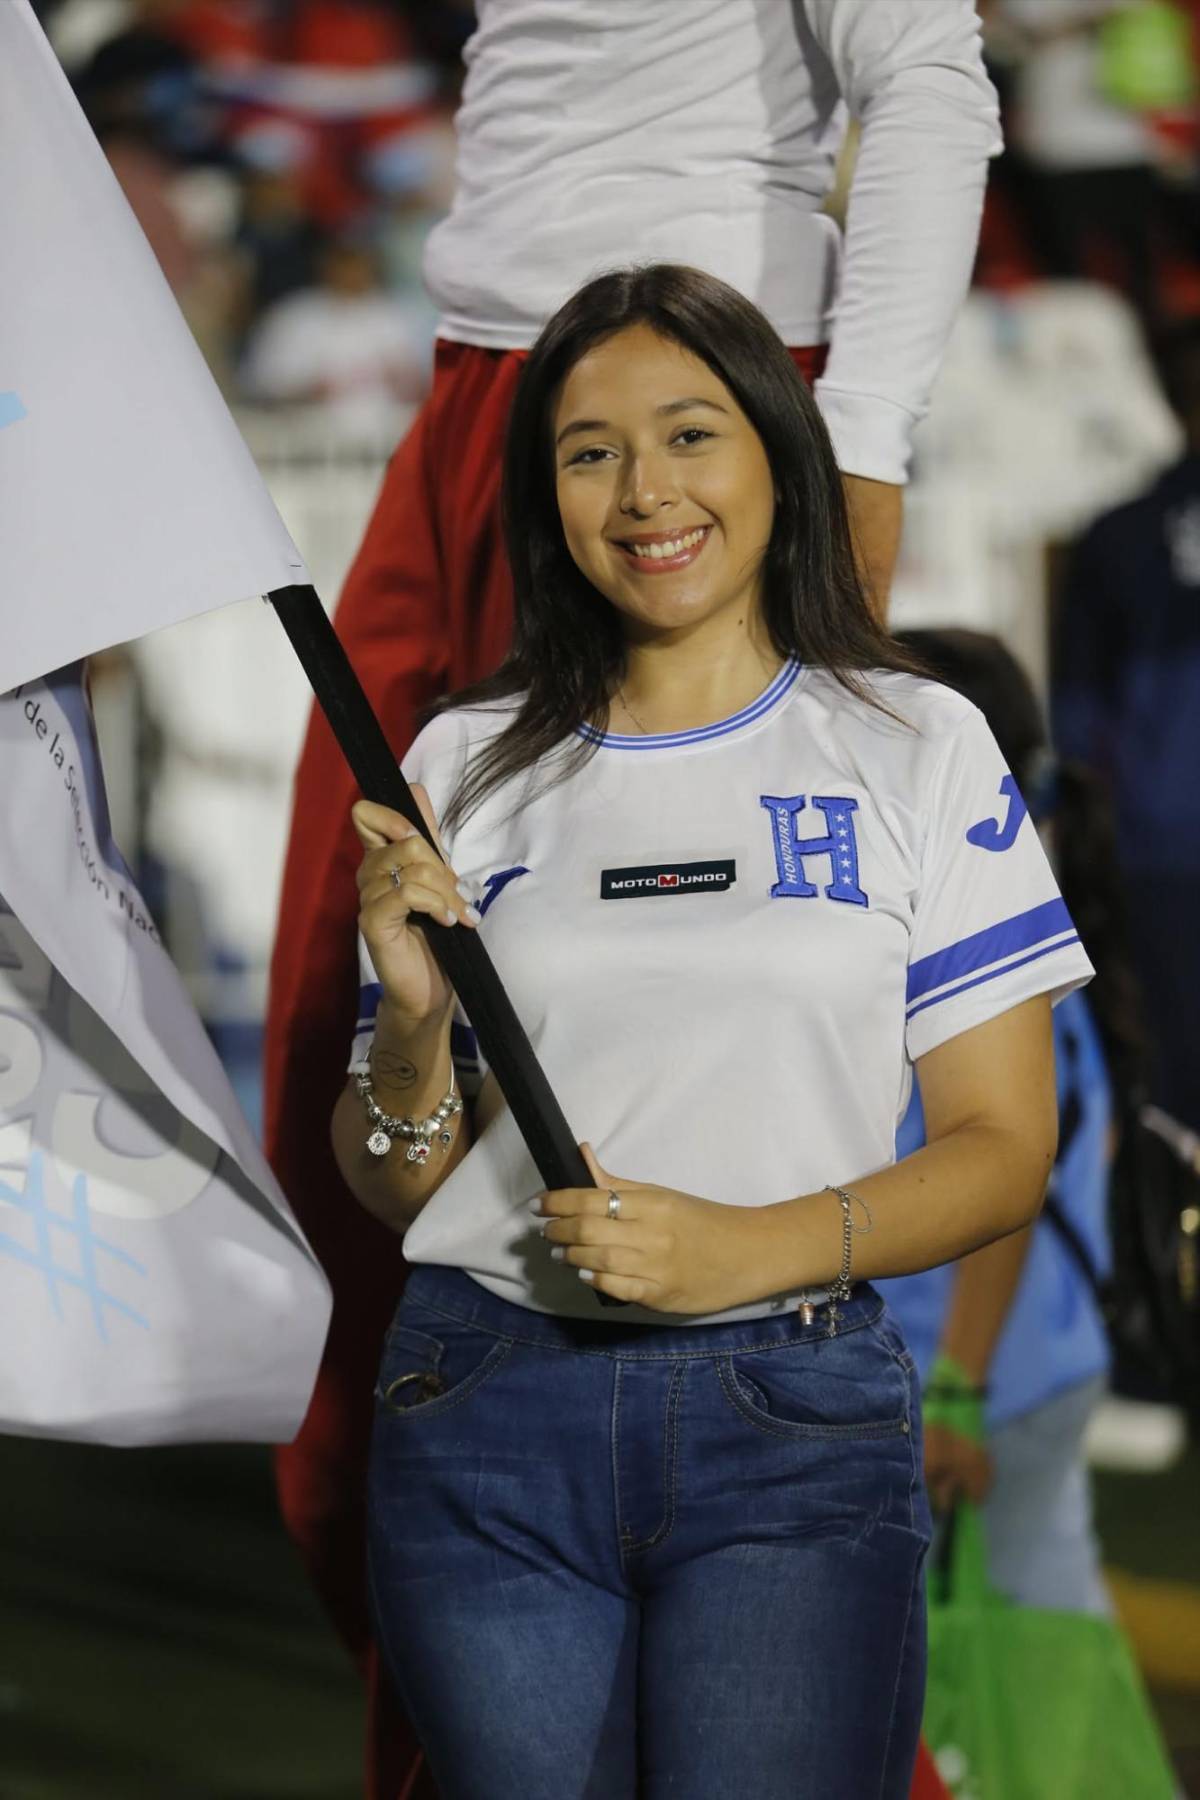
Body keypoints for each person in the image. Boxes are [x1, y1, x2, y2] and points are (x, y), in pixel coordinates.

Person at [266, 11, 1002, 1786]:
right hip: (481, 395)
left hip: (653, 402)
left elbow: (926, 72)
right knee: (343, 1107)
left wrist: (863, 451)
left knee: (641, 1091)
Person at [335, 264, 1092, 1800]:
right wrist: (411, 1033)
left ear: (774, 453)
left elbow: (1007, 1149)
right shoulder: (461, 763)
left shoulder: (915, 741)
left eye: (692, 433)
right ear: (545, 493)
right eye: (590, 450)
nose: (644, 492)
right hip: (484, 1411)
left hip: (795, 1418)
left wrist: (750, 1248)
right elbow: (398, 1179)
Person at [879, 628, 1142, 1613]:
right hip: (1035, 1367)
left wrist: (957, 1389)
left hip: (978, 1381)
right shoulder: (1037, 919)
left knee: (1013, 1668)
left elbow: (1005, 1177)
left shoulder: (978, 947)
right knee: (1039, 1636)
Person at [1053, 316, 1200, 1138]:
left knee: (1171, 1087)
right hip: (1157, 856)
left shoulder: (1117, 536)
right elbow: (1078, 716)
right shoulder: (1117, 538)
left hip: (1154, 851)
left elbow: (1077, 720)